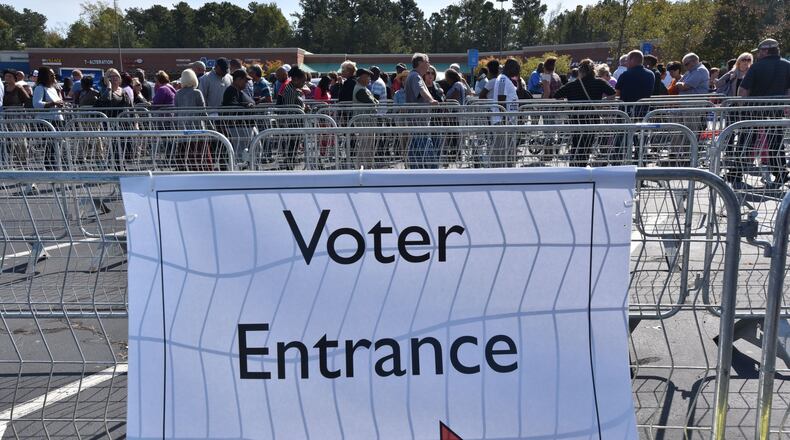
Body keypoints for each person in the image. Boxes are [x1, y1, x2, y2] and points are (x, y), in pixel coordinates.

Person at [729, 38, 790, 188]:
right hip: (776, 110)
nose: (757, 55)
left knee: (746, 140)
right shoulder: (787, 66)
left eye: (759, 52)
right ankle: (781, 172)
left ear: (765, 51)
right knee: (776, 142)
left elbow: (743, 90)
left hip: (754, 110)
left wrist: (741, 106)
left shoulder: (756, 67)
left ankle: (736, 171)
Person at [554, 59, 617, 166]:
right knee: (588, 144)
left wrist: (568, 102)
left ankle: (574, 166)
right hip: (592, 119)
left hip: (576, 119)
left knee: (576, 144)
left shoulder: (572, 84)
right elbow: (613, 94)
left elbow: (557, 95)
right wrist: (600, 103)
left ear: (580, 71)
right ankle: (583, 165)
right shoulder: (600, 82)